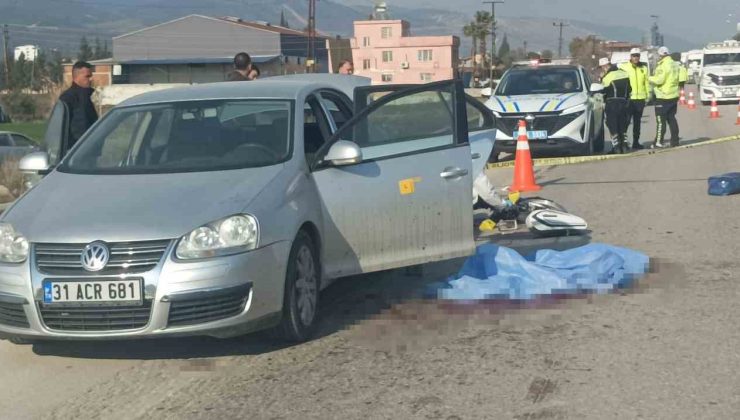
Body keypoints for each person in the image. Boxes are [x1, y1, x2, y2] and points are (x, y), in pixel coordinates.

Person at [59, 61, 98, 150]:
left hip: (90, 150)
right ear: (77, 77)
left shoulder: (87, 97)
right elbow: (62, 127)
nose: (91, 79)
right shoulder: (68, 97)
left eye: (91, 76)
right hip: (75, 151)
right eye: (87, 76)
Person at [618, 48, 650, 149]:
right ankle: (624, 142)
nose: (636, 57)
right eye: (634, 55)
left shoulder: (644, 68)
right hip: (629, 100)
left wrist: (648, 96)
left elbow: (647, 83)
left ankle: (636, 142)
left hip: (640, 100)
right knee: (626, 122)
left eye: (637, 56)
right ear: (630, 57)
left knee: (637, 123)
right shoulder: (624, 67)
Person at [649, 46, 680, 148]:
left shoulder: (663, 65)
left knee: (660, 120)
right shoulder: (674, 64)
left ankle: (658, 142)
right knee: (671, 118)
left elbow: (659, 80)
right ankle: (675, 141)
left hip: (663, 96)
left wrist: (647, 78)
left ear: (660, 55)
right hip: (673, 95)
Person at [599, 57, 632, 154]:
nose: (602, 70)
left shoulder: (608, 76)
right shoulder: (624, 73)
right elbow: (630, 89)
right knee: (622, 124)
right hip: (624, 103)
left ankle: (616, 147)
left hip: (612, 103)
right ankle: (625, 146)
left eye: (602, 68)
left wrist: (601, 79)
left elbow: (603, 91)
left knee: (612, 125)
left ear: (605, 66)